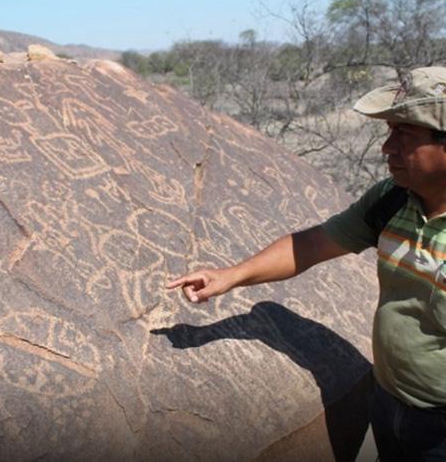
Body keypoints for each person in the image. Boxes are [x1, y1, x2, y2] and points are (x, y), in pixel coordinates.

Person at [166, 66, 446, 461]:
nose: (387, 148)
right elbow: (314, 244)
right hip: (388, 402)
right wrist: (230, 276)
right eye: (389, 133)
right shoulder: (393, 198)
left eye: (406, 135)